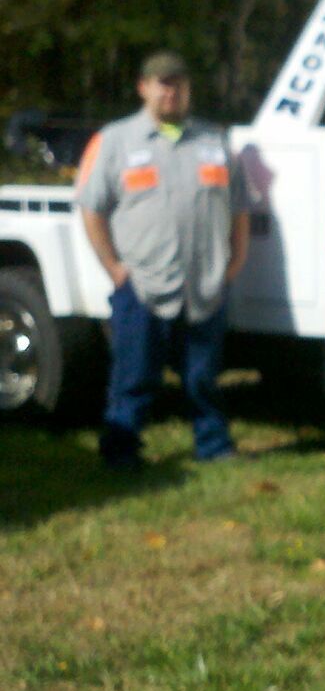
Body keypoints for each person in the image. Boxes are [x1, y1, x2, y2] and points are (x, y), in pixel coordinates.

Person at [76, 51, 256, 470]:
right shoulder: (114, 141)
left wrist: (235, 265)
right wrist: (114, 268)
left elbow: (241, 210)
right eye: (162, 83)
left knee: (202, 377)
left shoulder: (215, 142)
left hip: (205, 285)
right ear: (144, 87)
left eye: (178, 83)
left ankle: (213, 445)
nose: (171, 91)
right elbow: (91, 208)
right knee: (134, 376)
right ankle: (121, 449)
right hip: (142, 284)